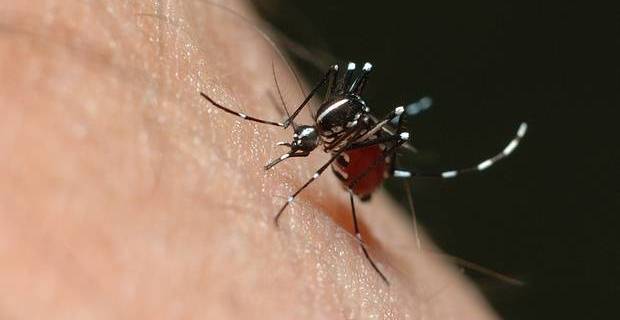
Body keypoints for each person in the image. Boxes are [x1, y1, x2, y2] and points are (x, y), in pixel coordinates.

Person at [0, 0, 499, 318]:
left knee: (361, 101)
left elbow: (334, 148)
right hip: (348, 140)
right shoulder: (322, 126)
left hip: (362, 153)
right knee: (348, 75)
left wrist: (335, 165)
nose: (300, 151)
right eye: (300, 138)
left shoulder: (331, 144)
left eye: (300, 140)